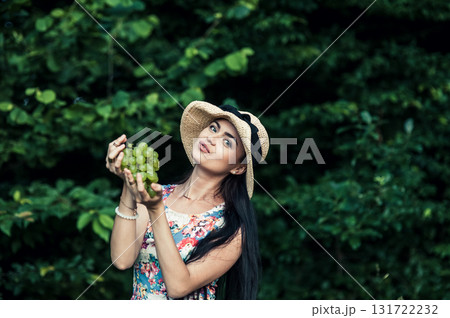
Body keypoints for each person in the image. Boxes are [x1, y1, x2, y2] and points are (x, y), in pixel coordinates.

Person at [106, 100, 270, 300]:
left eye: (227, 142)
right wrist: (128, 182)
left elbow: (179, 286)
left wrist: (157, 211)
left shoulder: (231, 226)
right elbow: (122, 259)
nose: (212, 138)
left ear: (238, 168)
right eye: (213, 128)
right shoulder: (157, 194)